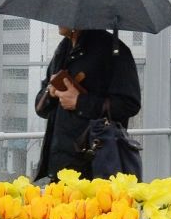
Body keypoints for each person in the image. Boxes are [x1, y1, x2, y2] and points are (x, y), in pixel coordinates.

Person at [33, 27, 141, 182]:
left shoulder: (113, 50)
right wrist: (51, 92)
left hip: (96, 165)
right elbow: (40, 109)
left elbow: (129, 104)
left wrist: (79, 102)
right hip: (60, 165)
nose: (57, 22)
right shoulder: (63, 49)